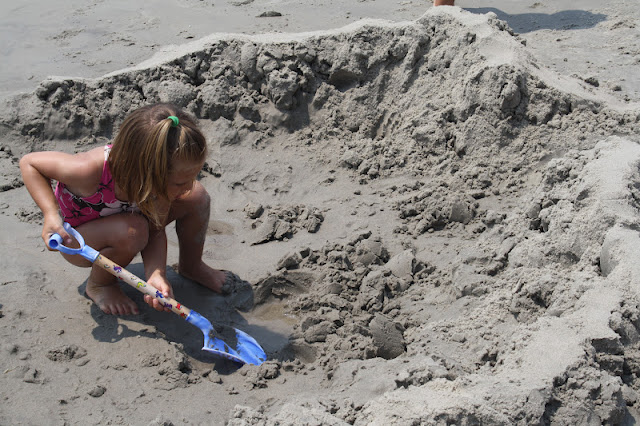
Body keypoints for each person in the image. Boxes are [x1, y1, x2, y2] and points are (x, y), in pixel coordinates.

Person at [20, 103, 232, 316]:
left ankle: (192, 266)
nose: (187, 186)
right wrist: (50, 214)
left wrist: (155, 274)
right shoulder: (86, 170)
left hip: (131, 224)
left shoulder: (157, 186)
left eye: (193, 176)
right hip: (80, 243)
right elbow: (30, 163)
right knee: (133, 230)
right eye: (180, 182)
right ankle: (100, 284)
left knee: (196, 196)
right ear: (146, 173)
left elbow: (155, 230)